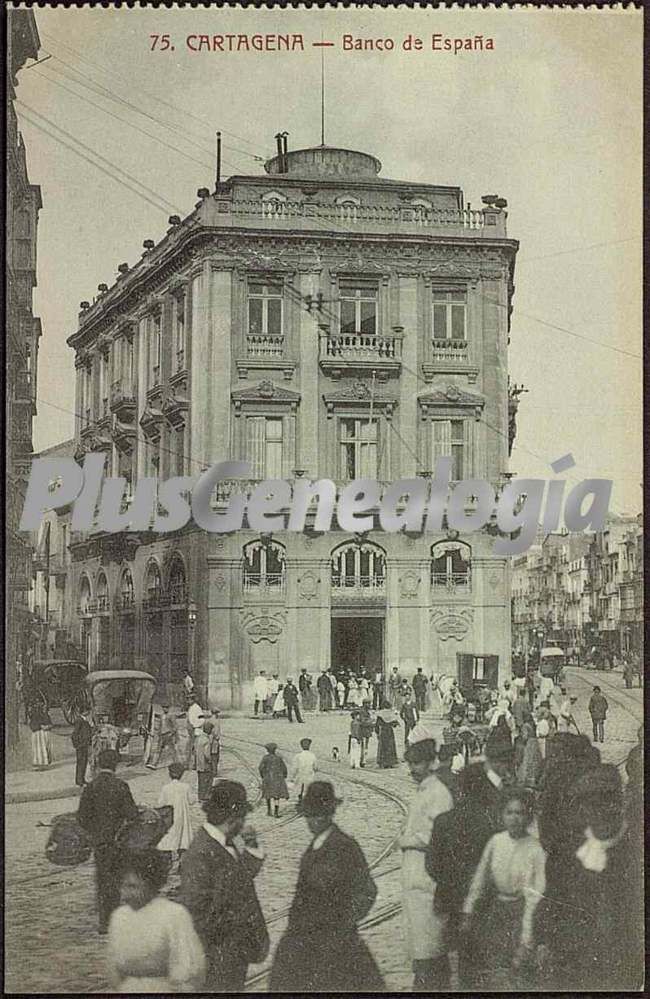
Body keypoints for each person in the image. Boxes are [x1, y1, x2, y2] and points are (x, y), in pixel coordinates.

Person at [535, 765, 643, 991]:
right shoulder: (566, 850)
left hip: (622, 962)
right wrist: (543, 940)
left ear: (620, 804)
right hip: (572, 960)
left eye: (608, 801)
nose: (602, 810)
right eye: (592, 803)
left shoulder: (634, 848)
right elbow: (551, 897)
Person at [269, 781, 384, 993]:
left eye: (319, 814)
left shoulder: (345, 846)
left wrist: (343, 922)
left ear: (330, 813)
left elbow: (367, 891)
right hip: (305, 938)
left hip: (336, 941)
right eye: (310, 815)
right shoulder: (313, 848)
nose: (313, 821)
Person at [180, 781, 268, 991]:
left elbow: (235, 881)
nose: (244, 823)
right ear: (232, 817)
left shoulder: (221, 843)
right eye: (243, 817)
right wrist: (239, 927)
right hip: (217, 957)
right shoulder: (200, 853)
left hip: (230, 955)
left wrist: (252, 848)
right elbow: (199, 913)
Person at [427, 765, 505, 987]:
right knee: (478, 963)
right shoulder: (491, 823)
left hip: (450, 900)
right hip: (483, 903)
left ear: (461, 789)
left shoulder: (443, 821)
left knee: (455, 959)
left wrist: (449, 882)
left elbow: (432, 864)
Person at [462, 789, 546, 988]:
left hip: (523, 912)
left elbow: (536, 894)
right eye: (509, 812)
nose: (514, 818)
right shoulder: (496, 841)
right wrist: (468, 910)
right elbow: (480, 879)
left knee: (520, 968)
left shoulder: (535, 849)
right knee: (496, 969)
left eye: (520, 813)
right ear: (502, 815)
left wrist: (527, 936)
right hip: (497, 912)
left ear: (528, 816)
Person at [107, 849, 206, 993]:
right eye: (122, 886)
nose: (125, 894)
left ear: (150, 885)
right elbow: (113, 967)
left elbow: (190, 967)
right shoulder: (119, 916)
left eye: (133, 886)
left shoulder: (173, 914)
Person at [400, 737, 454, 990]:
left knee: (430, 947)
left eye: (418, 764)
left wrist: (408, 839)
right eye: (410, 764)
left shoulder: (438, 793)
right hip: (415, 877)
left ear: (431, 763)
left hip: (427, 879)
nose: (413, 769)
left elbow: (439, 836)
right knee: (421, 947)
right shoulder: (423, 790)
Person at [78, 748, 139, 933]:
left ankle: (104, 921)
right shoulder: (120, 786)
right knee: (117, 880)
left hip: (100, 843)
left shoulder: (91, 786)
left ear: (99, 764)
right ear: (115, 765)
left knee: (102, 879)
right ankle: (115, 920)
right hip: (117, 841)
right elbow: (132, 814)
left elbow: (82, 817)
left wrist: (94, 833)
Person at [156, 763, 194, 864]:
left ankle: (168, 859)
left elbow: (160, 803)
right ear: (182, 774)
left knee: (169, 836)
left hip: (170, 815)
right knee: (183, 837)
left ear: (169, 774)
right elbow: (192, 801)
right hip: (182, 816)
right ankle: (182, 860)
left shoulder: (166, 788)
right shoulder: (186, 787)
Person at [259, 743, 289, 817]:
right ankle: (276, 812)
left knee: (268, 795)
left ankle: (269, 811)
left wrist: (262, 776)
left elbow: (260, 768)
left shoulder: (265, 758)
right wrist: (285, 775)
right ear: (275, 750)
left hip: (268, 778)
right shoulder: (278, 758)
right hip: (278, 779)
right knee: (276, 796)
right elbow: (284, 768)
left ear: (267, 750)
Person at [71, 708, 93, 787]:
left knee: (84, 762)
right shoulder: (79, 720)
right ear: (84, 712)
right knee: (80, 763)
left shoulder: (85, 720)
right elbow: (74, 734)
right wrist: (77, 744)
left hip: (85, 744)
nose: (88, 712)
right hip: (81, 745)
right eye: (87, 711)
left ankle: (82, 779)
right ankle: (79, 781)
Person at [291, 737, 317, 805]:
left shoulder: (298, 756)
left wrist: (293, 777)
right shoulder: (312, 756)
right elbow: (315, 767)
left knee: (299, 789)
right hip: (309, 776)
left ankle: (300, 800)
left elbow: (295, 768)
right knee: (307, 790)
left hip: (300, 776)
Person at [28, 701, 53, 770]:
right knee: (39, 747)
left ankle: (43, 763)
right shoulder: (36, 715)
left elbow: (49, 724)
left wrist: (46, 726)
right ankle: (40, 763)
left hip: (40, 732)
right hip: (37, 731)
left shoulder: (43, 715)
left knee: (42, 747)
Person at [375, 700, 399, 768]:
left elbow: (377, 724)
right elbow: (394, 724)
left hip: (383, 731)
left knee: (383, 746)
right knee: (390, 746)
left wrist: (377, 732)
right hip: (389, 731)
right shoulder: (391, 713)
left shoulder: (380, 714)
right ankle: (390, 762)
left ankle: (382, 762)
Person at [195, 724, 213, 802]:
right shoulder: (206, 740)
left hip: (198, 763)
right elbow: (207, 754)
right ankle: (206, 796)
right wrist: (210, 760)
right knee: (208, 778)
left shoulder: (198, 738)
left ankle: (200, 796)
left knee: (200, 780)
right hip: (205, 763)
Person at [207, 710, 221, 781]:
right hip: (214, 741)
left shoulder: (210, 720)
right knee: (214, 756)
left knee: (214, 756)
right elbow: (215, 732)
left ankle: (213, 770)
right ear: (215, 714)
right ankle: (214, 771)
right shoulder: (215, 721)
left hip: (213, 740)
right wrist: (217, 737)